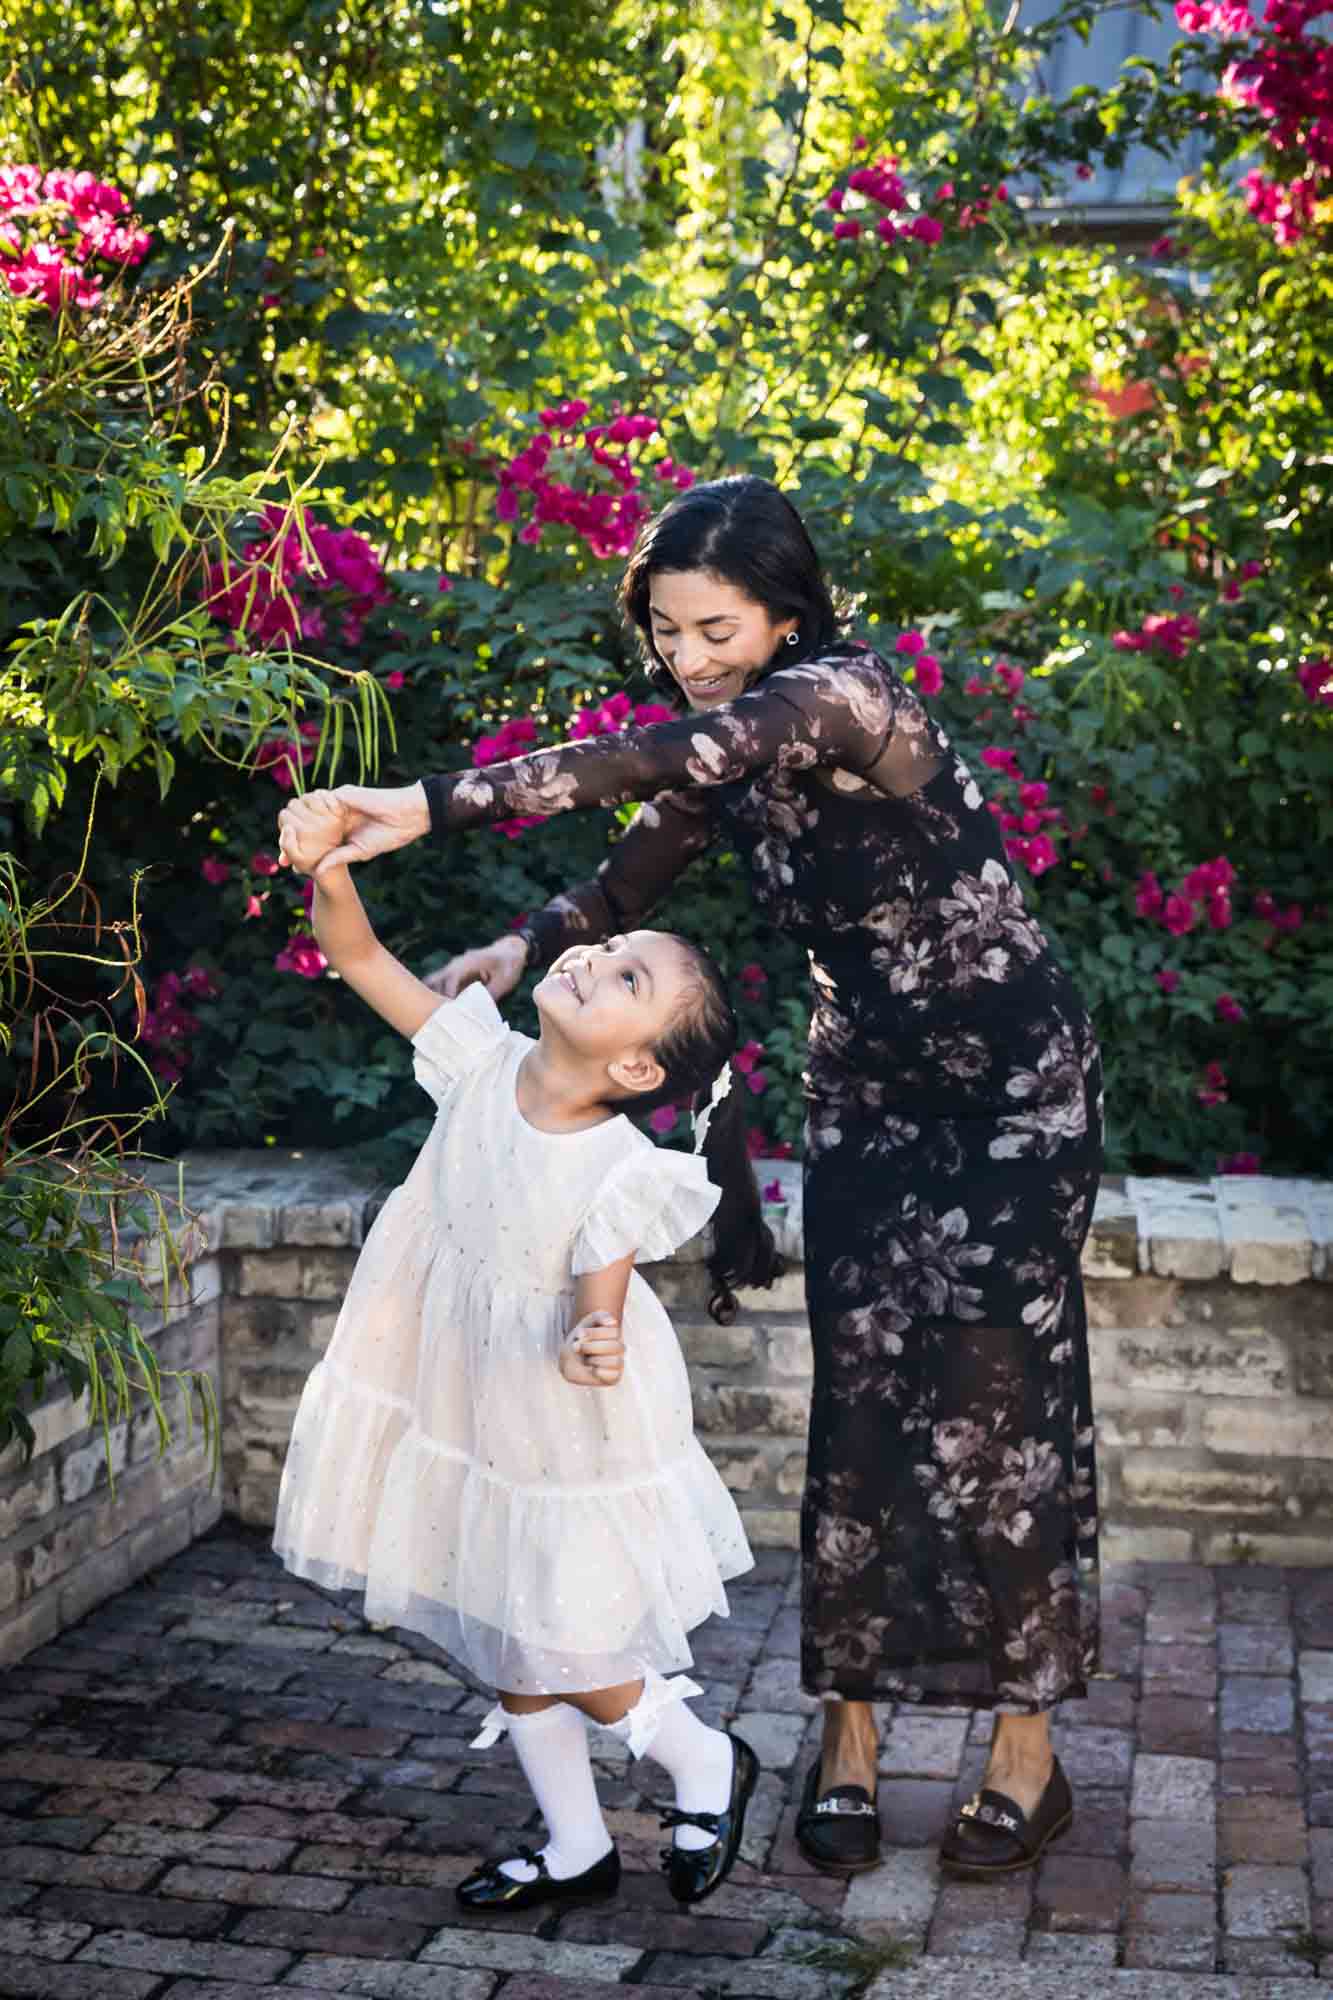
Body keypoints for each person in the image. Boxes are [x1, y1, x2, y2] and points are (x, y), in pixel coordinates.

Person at [277, 473, 1103, 1885]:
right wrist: (518, 943)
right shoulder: (737, 748)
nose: (690, 656)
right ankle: (843, 1738)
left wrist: (427, 803)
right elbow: (629, 871)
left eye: (715, 628)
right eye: (666, 633)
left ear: (787, 612)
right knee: (859, 1400)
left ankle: (1025, 1754)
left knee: (996, 1411)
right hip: (866, 1092)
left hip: (1009, 1094)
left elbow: (654, 759)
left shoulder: (845, 700)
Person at [271, 792, 767, 1911]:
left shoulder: (617, 1165)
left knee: (563, 1625)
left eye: (628, 976)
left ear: (639, 1069)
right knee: (499, 1616)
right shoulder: (477, 1059)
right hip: (459, 1386)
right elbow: (354, 952)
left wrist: (595, 1338)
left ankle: (696, 1756)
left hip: (554, 1415)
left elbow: (598, 1300)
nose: (593, 955)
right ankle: (577, 1842)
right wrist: (328, 861)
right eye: (606, 945)